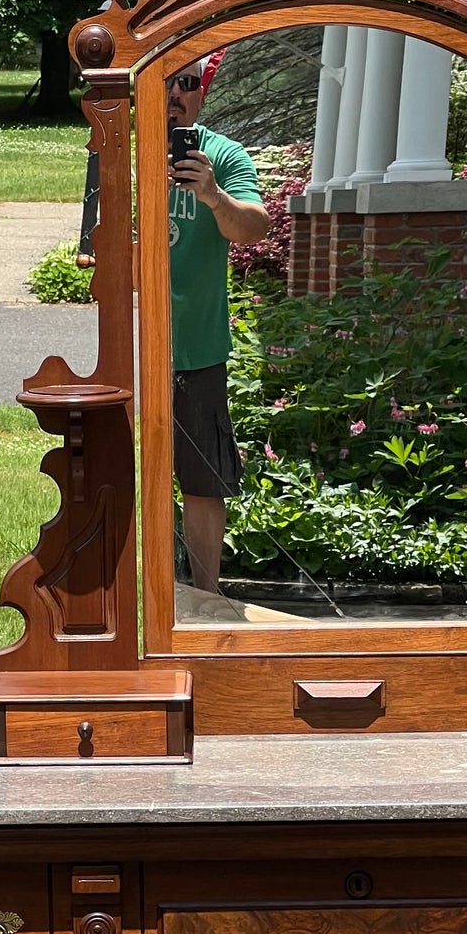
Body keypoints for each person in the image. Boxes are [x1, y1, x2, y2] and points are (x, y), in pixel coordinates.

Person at [167, 56, 269, 593]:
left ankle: (204, 600)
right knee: (134, 477)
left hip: (198, 349)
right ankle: (151, 596)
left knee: (202, 483)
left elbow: (253, 227)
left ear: (201, 93)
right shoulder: (123, 151)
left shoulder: (222, 155)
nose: (175, 94)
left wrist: (211, 194)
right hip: (134, 348)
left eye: (186, 83)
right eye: (164, 82)